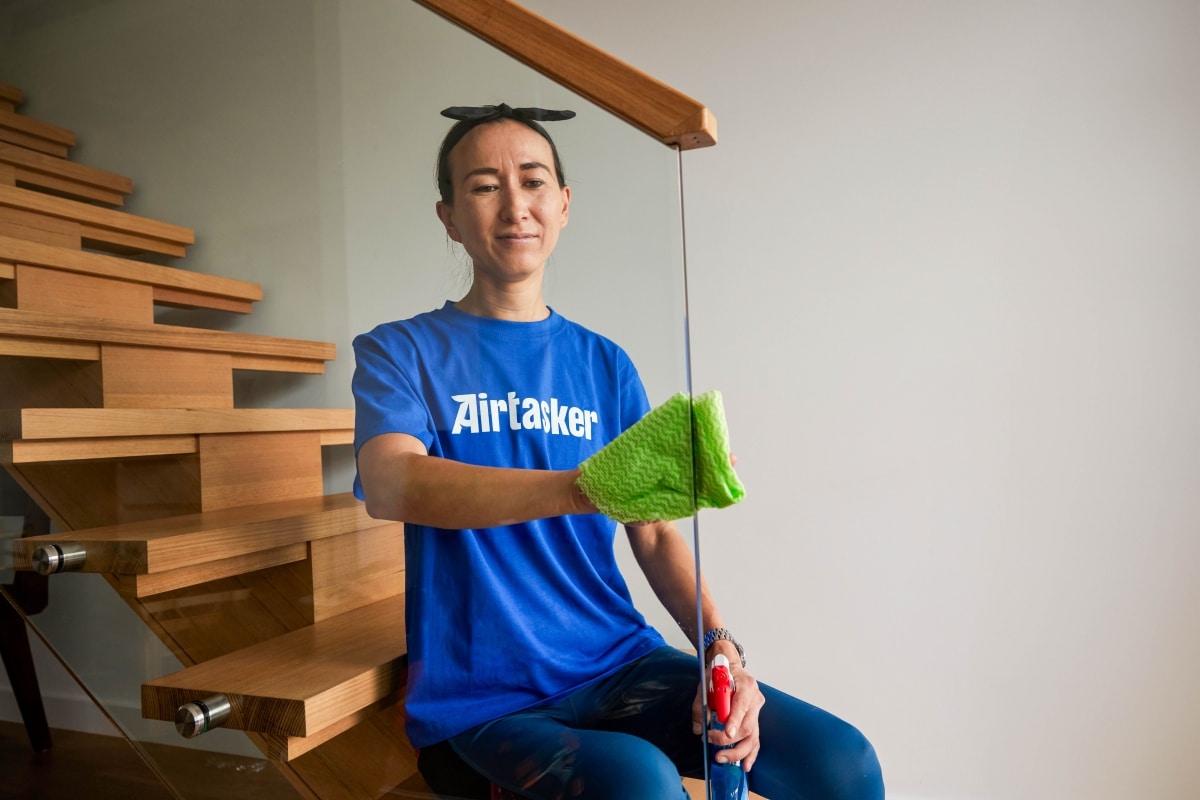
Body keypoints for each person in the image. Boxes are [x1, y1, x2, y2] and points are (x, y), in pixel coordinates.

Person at [352, 103, 884, 800]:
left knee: (841, 763)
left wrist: (721, 647)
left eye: (534, 181)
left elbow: (656, 531)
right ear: (449, 216)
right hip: (486, 697)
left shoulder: (605, 365)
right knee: (641, 783)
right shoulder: (400, 350)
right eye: (484, 186)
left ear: (564, 204)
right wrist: (577, 489)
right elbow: (392, 482)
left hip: (619, 661)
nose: (515, 204)